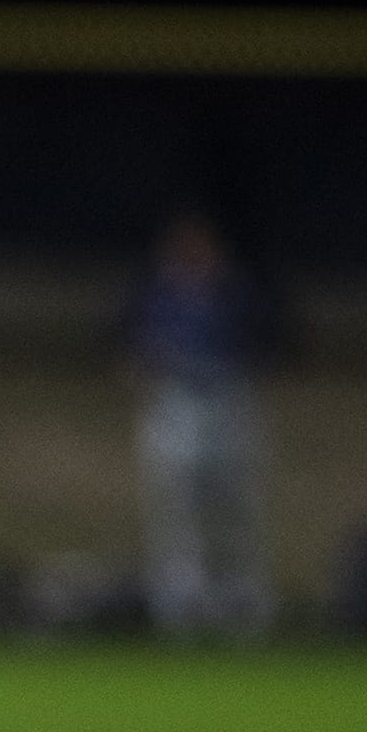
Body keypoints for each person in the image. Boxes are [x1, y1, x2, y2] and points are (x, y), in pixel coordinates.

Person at [122, 214, 282, 637]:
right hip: (175, 402)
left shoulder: (236, 294)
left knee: (236, 507)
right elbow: (130, 347)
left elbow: (272, 343)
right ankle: (181, 608)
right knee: (176, 507)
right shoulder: (157, 296)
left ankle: (242, 607)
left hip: (228, 401)